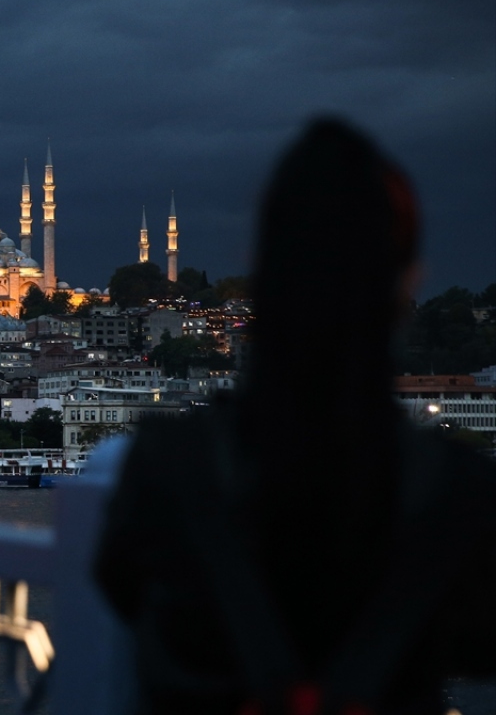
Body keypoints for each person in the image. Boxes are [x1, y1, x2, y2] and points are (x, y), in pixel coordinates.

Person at [91, 119, 496, 714]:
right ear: (409, 279)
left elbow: (121, 584)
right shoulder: (458, 491)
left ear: (259, 264)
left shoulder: (166, 466)